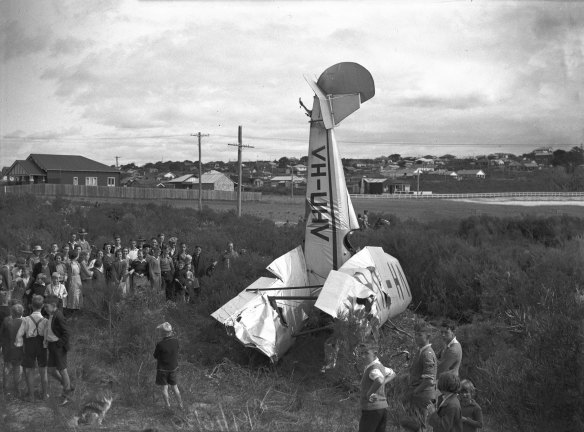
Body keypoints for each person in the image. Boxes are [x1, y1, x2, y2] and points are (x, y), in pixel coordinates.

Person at [402, 321, 437, 432]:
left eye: (420, 335)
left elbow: (429, 380)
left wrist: (415, 391)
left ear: (428, 336)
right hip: (419, 395)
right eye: (415, 334)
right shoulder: (421, 351)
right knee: (415, 426)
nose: (416, 337)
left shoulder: (427, 353)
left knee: (420, 427)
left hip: (422, 396)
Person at [15, 295, 48, 402]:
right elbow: (48, 336)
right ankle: (45, 395)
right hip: (42, 345)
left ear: (31, 306)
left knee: (29, 370)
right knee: (43, 370)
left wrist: (19, 345)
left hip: (29, 345)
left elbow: (19, 334)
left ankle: (31, 396)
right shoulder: (45, 321)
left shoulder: (26, 319)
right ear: (42, 306)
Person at [356, 343, 396, 432]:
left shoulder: (373, 369)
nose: (363, 356)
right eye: (361, 353)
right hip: (382, 409)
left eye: (366, 353)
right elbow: (393, 373)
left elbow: (379, 380)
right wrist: (384, 382)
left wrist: (368, 394)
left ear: (375, 353)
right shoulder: (380, 366)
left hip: (371, 409)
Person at [44, 296, 73, 403]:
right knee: (51, 370)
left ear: (53, 306)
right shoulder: (51, 314)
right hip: (51, 346)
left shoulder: (59, 316)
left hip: (58, 346)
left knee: (62, 370)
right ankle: (68, 385)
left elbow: (67, 332)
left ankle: (67, 396)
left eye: (46, 306)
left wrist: (59, 344)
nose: (45, 308)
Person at [153, 322, 183, 410]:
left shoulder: (160, 344)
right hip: (173, 368)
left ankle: (168, 406)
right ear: (171, 331)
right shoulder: (176, 341)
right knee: (175, 387)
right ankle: (180, 405)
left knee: (164, 388)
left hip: (162, 370)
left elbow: (155, 356)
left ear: (162, 333)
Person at [0, 303, 24, 396]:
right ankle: (17, 389)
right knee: (18, 368)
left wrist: (1, 346)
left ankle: (5, 388)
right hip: (19, 349)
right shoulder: (24, 322)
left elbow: (1, 334)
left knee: (7, 366)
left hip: (8, 349)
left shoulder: (6, 320)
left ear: (12, 312)